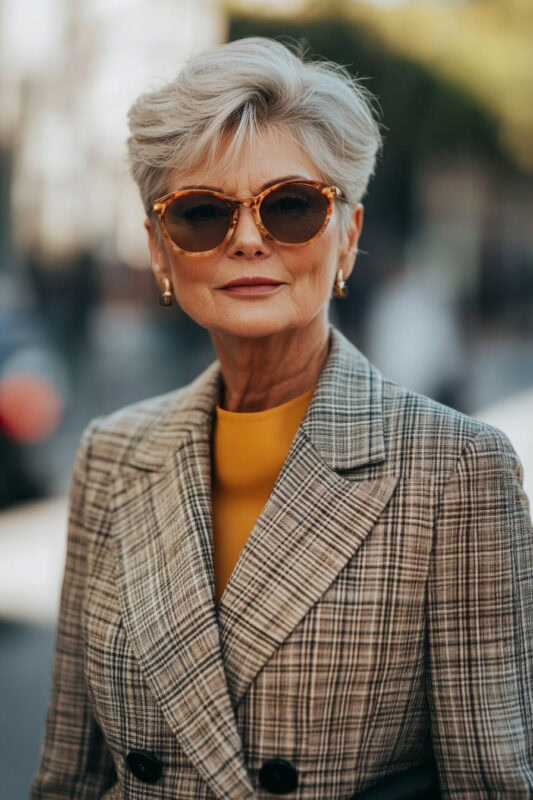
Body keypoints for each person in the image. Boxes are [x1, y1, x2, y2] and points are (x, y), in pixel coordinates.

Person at [30, 36, 533, 800]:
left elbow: (489, 784)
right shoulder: (111, 455)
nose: (247, 238)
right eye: (201, 213)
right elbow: (70, 773)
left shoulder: (456, 471)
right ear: (160, 253)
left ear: (347, 238)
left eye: (291, 205)